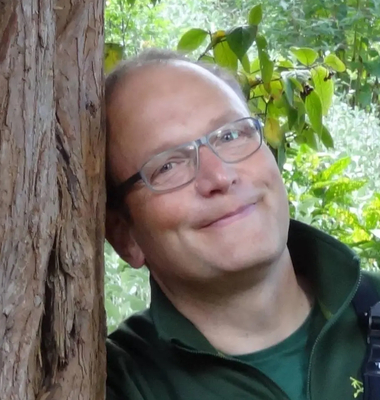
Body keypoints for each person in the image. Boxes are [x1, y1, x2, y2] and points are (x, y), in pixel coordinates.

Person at [104, 49, 380, 400]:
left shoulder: (373, 306)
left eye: (231, 135)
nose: (220, 176)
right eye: (167, 166)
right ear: (125, 237)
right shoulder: (115, 384)